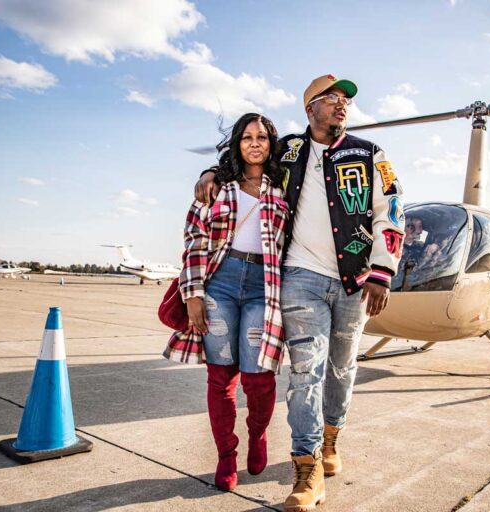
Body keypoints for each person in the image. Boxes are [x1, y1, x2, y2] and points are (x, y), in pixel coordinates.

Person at [196, 75, 405, 511]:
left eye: (345, 99)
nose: (341, 105)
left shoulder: (369, 154)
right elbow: (248, 162)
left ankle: (332, 438)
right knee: (305, 372)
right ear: (310, 109)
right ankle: (306, 469)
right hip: (300, 276)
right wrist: (212, 171)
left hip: (355, 280)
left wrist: (383, 270)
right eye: (331, 100)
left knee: (342, 369)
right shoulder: (288, 151)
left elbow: (392, 208)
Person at [165, 113, 288, 492]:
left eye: (262, 137)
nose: (255, 143)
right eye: (247, 137)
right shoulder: (217, 187)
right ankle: (225, 456)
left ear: (271, 144)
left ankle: (258, 436)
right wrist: (194, 295)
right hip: (221, 281)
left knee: (259, 377)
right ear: (237, 143)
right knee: (221, 377)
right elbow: (194, 241)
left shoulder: (284, 187)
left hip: (263, 286)